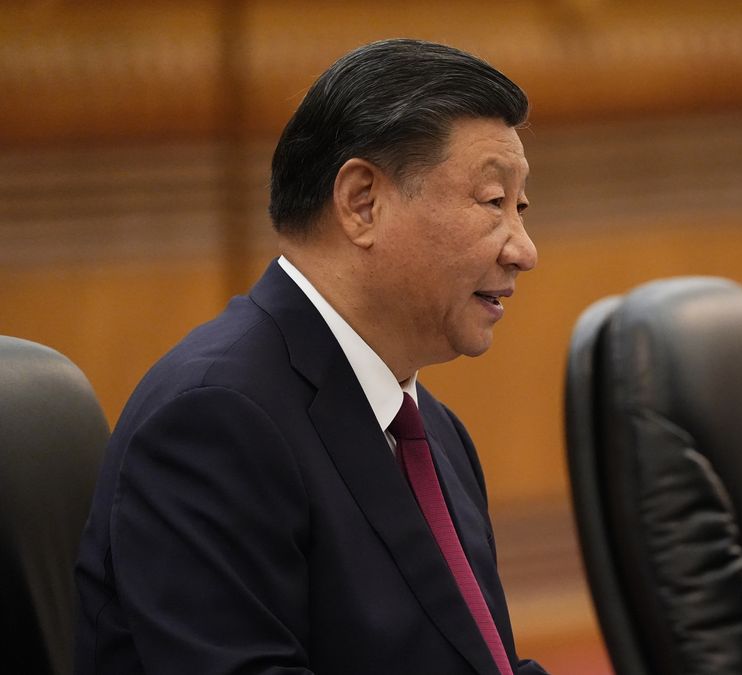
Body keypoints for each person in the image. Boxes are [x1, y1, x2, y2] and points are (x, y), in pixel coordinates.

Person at [74, 38, 547, 675]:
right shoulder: (215, 420)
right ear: (361, 202)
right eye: (494, 203)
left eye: (520, 209)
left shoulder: (431, 428)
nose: (524, 250)